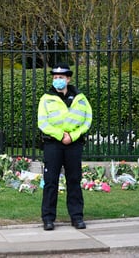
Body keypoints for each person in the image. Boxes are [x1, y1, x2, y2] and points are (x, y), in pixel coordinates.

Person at [37, 63, 92, 231]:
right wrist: (61, 135)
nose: (57, 80)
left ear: (68, 79)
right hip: (53, 144)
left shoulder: (80, 98)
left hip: (74, 144)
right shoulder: (46, 98)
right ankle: (48, 219)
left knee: (74, 180)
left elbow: (87, 119)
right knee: (51, 182)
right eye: (55, 77)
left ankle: (77, 217)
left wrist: (73, 136)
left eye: (61, 77)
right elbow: (43, 123)